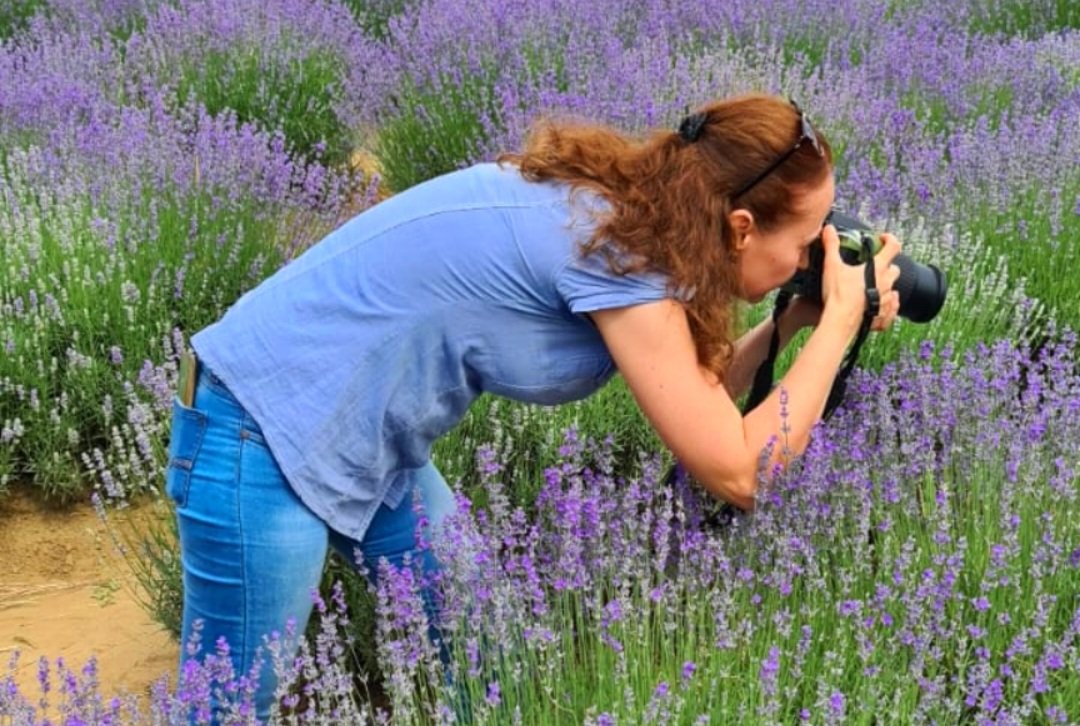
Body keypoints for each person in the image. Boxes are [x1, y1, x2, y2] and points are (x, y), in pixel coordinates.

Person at [164, 93, 902, 720]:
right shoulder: (622, 257)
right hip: (257, 426)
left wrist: (791, 323)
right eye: (809, 240)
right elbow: (740, 471)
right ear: (740, 226)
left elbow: (698, 398)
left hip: (367, 444)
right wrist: (839, 323)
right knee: (230, 705)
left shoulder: (628, 217)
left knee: (490, 650)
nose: (816, 256)